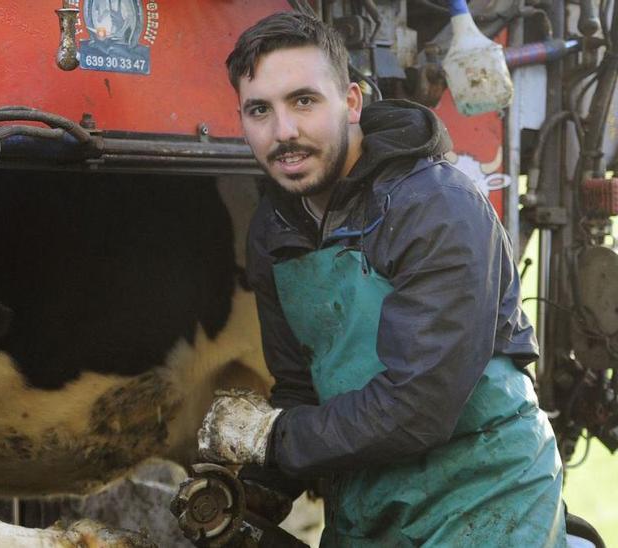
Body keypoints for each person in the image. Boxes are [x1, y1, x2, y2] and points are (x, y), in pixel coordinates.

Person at [196, 11, 567, 546]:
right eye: (260, 110)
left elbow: (418, 409)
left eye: (304, 101)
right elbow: (302, 388)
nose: (284, 133)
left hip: (487, 498)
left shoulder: (437, 205)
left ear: (351, 102)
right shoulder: (275, 231)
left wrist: (271, 438)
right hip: (368, 510)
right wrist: (259, 486)